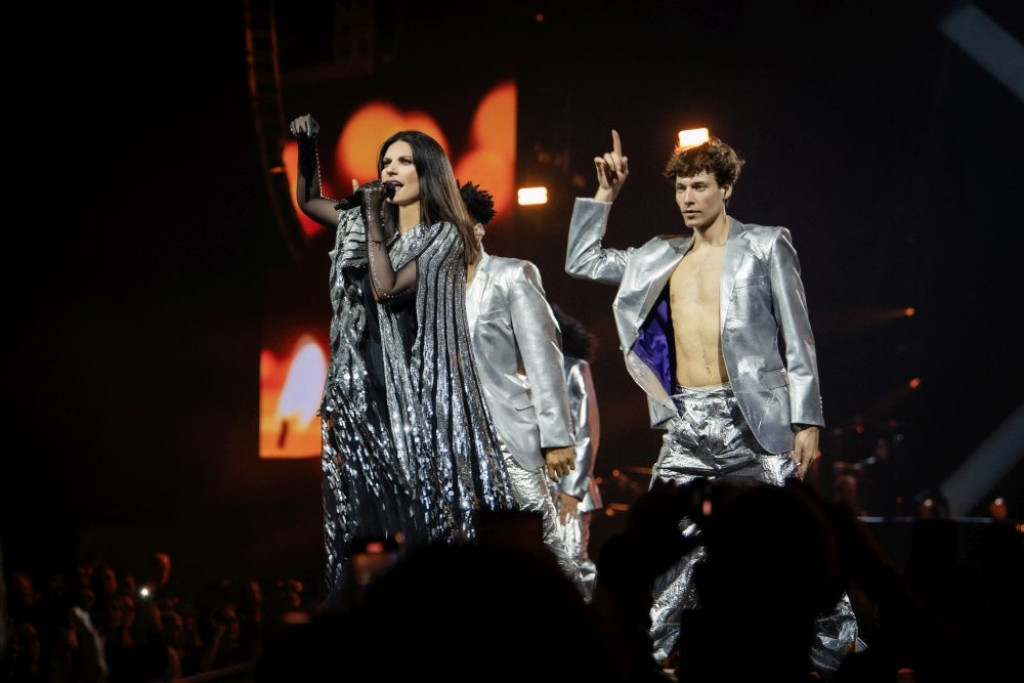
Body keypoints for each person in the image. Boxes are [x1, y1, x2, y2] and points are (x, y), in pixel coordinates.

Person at [565, 130, 859, 672]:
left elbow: (799, 335)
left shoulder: (766, 244)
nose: (687, 198)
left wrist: (806, 418)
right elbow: (583, 260)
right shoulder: (658, 255)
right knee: (658, 545)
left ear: (726, 188)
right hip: (687, 423)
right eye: (680, 188)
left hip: (755, 422)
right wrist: (605, 194)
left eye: (699, 186)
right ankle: (642, 660)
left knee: (793, 543)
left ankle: (840, 658)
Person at [289, 115, 515, 602]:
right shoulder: (365, 222)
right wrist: (308, 144)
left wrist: (371, 215)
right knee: (369, 507)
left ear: (427, 172)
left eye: (403, 161)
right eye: (385, 161)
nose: (389, 170)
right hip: (364, 382)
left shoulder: (446, 236)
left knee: (420, 508)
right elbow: (309, 201)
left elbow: (386, 286)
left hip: (417, 395)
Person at [458, 181, 582, 590]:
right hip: (454, 440)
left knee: (541, 539)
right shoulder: (435, 290)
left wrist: (556, 437)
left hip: (507, 432)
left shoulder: (511, 274)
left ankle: (582, 615)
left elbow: (543, 356)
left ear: (478, 228)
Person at [550, 304, 604, 601]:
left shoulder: (573, 368)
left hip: (568, 490)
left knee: (571, 565)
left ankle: (585, 623)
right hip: (537, 491)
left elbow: (586, 432)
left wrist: (572, 489)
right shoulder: (518, 371)